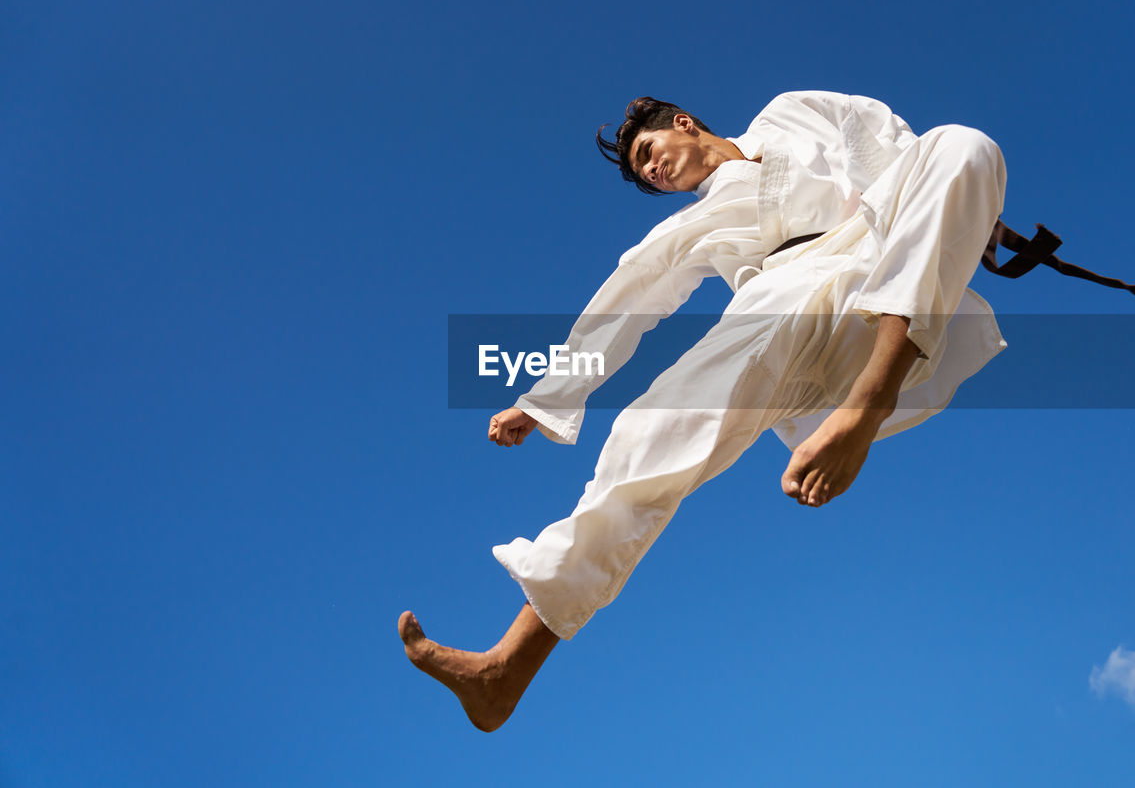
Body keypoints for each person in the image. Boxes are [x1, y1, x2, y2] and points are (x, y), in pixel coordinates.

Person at [399, 89, 1013, 731]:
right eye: (643, 174)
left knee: (965, 144)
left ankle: (869, 402)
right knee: (651, 430)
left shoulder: (791, 113)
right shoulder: (688, 226)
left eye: (648, 152)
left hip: (876, 270)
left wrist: (965, 203)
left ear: (684, 124)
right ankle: (507, 669)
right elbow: (622, 303)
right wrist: (544, 396)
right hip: (778, 303)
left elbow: (887, 142)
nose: (653, 172)